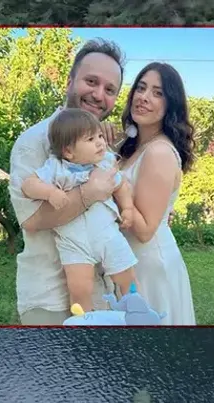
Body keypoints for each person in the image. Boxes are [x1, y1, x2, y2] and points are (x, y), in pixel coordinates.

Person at [8, 38, 127, 325]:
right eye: (91, 81)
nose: (99, 95)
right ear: (70, 82)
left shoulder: (102, 145)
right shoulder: (34, 142)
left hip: (103, 296)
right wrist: (89, 192)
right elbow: (31, 220)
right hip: (50, 300)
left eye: (110, 89)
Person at [21, 108, 139, 311]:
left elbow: (121, 186)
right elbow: (28, 185)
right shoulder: (56, 167)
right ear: (68, 151)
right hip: (73, 242)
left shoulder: (105, 163)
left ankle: (137, 311)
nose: (100, 143)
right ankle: (82, 321)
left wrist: (127, 208)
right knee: (79, 290)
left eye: (100, 136)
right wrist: (49, 192)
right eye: (91, 139)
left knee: (127, 279)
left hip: (108, 235)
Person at [116, 62, 196, 325]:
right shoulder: (133, 147)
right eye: (141, 88)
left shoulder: (159, 152)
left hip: (148, 265)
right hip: (128, 260)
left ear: (170, 105)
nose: (144, 97)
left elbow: (144, 230)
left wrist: (113, 186)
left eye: (157, 93)